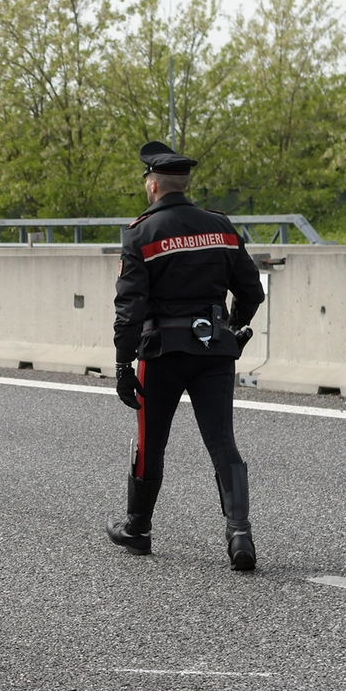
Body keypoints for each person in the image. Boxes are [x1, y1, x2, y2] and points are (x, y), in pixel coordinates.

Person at [107, 141, 266, 571]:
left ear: (153, 185)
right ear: (184, 184)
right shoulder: (220, 226)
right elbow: (252, 291)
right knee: (222, 442)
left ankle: (138, 530)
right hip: (214, 351)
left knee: (151, 442)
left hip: (161, 355)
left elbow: (130, 310)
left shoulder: (140, 233)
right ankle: (239, 534)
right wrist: (233, 326)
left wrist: (123, 365)